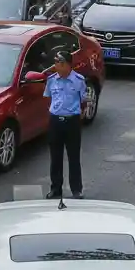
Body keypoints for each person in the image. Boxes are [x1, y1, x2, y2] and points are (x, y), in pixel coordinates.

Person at [43, 50, 87, 199]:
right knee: (55, 157)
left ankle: (76, 189)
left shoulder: (79, 80)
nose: (55, 67)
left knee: (73, 157)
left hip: (72, 122)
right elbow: (48, 98)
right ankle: (56, 188)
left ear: (67, 65)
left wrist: (77, 116)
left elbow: (83, 101)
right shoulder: (51, 80)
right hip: (55, 121)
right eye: (55, 63)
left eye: (58, 63)